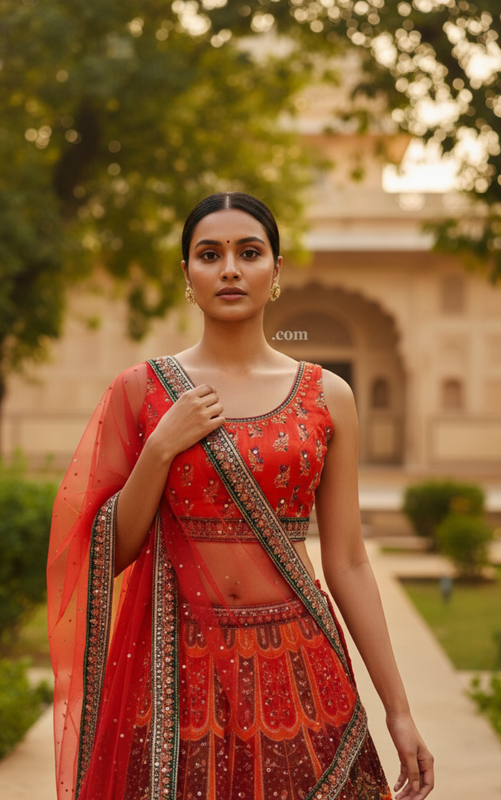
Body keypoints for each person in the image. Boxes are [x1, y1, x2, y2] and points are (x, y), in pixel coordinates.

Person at [47, 192, 434, 800]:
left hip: (300, 666)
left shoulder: (327, 395)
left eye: (249, 252)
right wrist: (159, 449)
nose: (230, 268)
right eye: (210, 254)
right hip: (173, 671)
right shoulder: (141, 390)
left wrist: (399, 710)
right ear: (187, 275)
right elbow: (108, 549)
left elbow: (350, 561)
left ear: (275, 271)